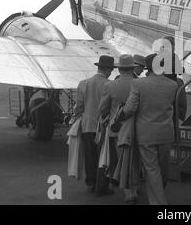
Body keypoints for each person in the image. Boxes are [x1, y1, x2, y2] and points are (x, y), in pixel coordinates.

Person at [122, 53, 178, 205]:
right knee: (163, 168)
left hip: (146, 133)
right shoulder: (173, 85)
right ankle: (159, 196)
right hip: (166, 132)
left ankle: (159, 202)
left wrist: (122, 115)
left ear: (148, 67)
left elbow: (131, 108)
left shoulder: (138, 84)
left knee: (152, 169)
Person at [99, 54, 141, 204]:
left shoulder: (109, 86)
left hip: (117, 129)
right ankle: (134, 189)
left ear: (119, 69)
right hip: (136, 128)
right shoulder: (140, 83)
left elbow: (102, 108)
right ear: (132, 68)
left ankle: (129, 193)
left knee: (122, 162)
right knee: (134, 161)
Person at [73, 55, 114, 195]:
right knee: (103, 157)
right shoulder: (109, 84)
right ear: (108, 70)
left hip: (87, 125)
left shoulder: (83, 83)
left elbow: (78, 107)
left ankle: (91, 182)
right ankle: (102, 185)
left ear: (98, 67)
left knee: (89, 156)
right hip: (103, 127)